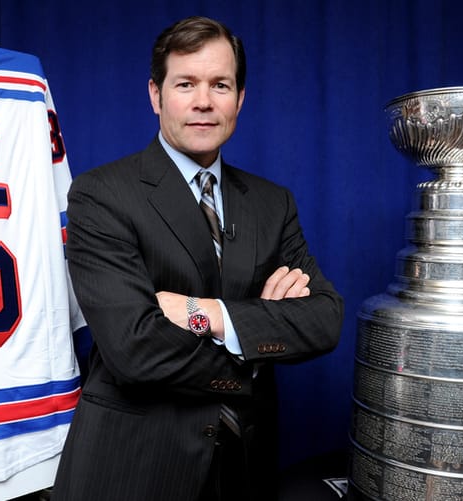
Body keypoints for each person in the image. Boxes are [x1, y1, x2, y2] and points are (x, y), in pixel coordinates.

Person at [51, 15, 344, 501]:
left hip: (243, 468)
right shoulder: (101, 194)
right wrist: (258, 338)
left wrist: (206, 314)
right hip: (133, 465)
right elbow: (133, 350)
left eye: (220, 85)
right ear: (155, 95)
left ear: (240, 98)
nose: (204, 101)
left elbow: (323, 319)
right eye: (185, 83)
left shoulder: (273, 203)